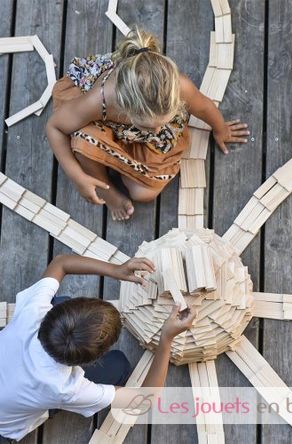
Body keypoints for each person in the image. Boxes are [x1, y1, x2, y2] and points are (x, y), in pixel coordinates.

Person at [46, 27, 249, 221]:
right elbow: (54, 127)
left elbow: (204, 107)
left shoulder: (179, 87)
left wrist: (220, 129)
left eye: (164, 122)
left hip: (137, 134)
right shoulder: (102, 100)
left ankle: (123, 162)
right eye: (149, 126)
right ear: (125, 109)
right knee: (82, 142)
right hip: (107, 127)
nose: (158, 130)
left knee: (142, 193)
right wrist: (77, 176)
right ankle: (104, 186)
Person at [0, 254, 195, 441]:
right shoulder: (64, 388)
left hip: (11, 381)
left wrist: (116, 269)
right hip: (4, 429)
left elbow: (60, 263)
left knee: (61, 301)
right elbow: (144, 400)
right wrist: (166, 338)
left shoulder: (32, 312)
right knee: (118, 364)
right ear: (90, 362)